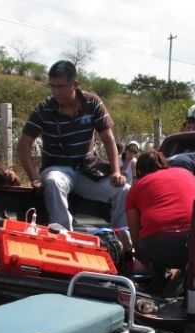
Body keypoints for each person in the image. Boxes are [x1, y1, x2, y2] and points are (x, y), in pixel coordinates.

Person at [18, 60, 129, 230]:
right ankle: (63, 235)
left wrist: (115, 171)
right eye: (53, 86)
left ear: (75, 84)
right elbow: (23, 145)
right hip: (57, 168)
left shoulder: (92, 103)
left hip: (88, 170)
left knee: (123, 190)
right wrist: (34, 178)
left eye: (61, 86)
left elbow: (108, 139)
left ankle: (121, 239)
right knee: (53, 182)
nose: (57, 91)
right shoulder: (43, 109)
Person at [126, 151, 195, 296]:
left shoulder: (136, 188)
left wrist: (149, 266)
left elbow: (135, 239)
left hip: (159, 246)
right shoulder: (188, 174)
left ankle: (160, 279)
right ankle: (183, 276)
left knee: (150, 234)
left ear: (140, 171)